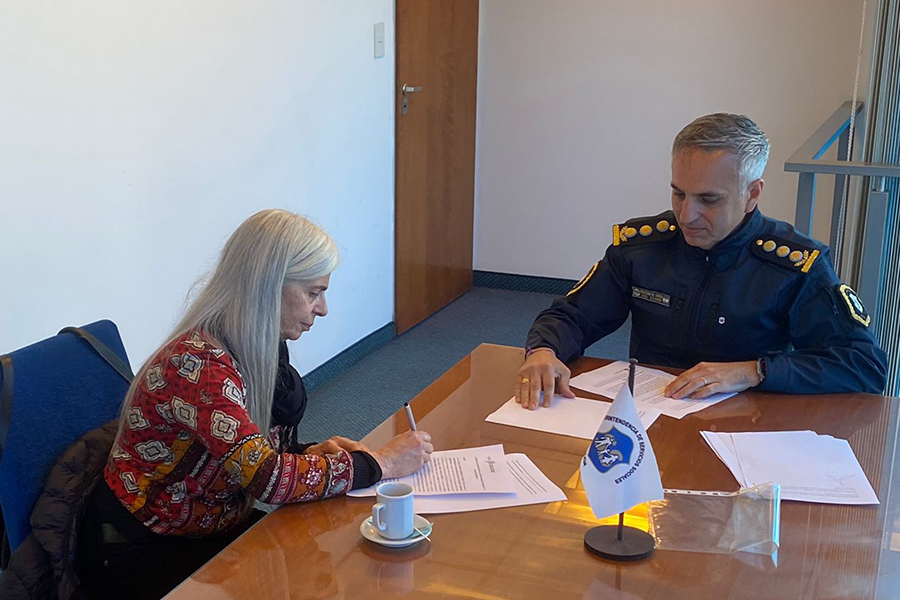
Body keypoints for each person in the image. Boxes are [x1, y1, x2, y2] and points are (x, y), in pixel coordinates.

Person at [78, 209, 433, 599]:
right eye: (313, 292)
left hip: (215, 521)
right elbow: (267, 479)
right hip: (146, 546)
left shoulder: (256, 344)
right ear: (267, 287)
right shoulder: (198, 364)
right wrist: (381, 464)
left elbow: (254, 450)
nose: (323, 308)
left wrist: (310, 452)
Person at [516, 113, 888, 409]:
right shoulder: (642, 247)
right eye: (679, 193)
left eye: (708, 200)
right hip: (651, 414)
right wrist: (544, 351)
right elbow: (573, 315)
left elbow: (863, 365)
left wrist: (754, 372)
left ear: (752, 194)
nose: (686, 214)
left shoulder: (792, 265)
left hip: (747, 422)